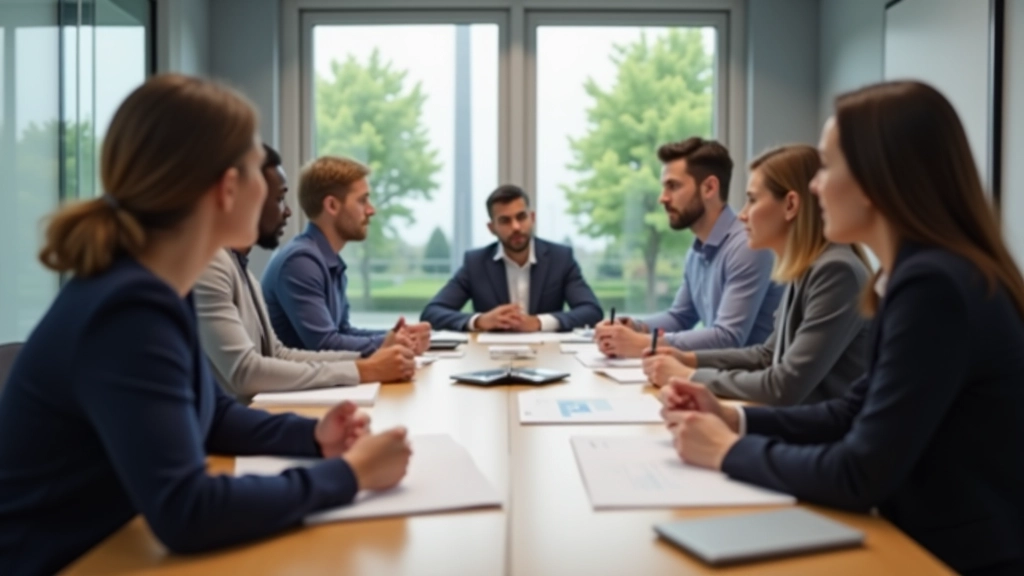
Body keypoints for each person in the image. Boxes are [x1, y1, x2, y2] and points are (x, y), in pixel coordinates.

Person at [0, 74, 412, 575]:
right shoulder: (127, 308)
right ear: (229, 187)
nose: (273, 194)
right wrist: (348, 475)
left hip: (113, 547)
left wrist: (314, 439)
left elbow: (213, 416)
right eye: (261, 172)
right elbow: (186, 512)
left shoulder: (148, 289)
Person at [659, 81, 1024, 575]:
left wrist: (728, 451)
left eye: (828, 166)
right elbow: (853, 410)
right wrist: (734, 419)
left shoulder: (933, 287)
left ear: (878, 179)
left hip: (949, 558)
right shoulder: (920, 274)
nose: (814, 185)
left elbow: (860, 472)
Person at [642, 145, 870, 405]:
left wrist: (690, 375)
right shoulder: (806, 268)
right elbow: (767, 355)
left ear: (791, 205)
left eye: (752, 199)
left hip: (822, 437)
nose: (742, 214)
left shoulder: (835, 272)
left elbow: (784, 385)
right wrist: (690, 359)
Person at [194, 144, 416, 403]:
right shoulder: (215, 265)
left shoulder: (243, 272)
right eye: (278, 199)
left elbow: (278, 354)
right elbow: (245, 372)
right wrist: (365, 368)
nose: (288, 211)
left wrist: (370, 358)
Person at [596, 138, 783, 357]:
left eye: (673, 186)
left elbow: (727, 338)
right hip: (719, 377)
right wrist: (635, 327)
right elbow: (680, 317)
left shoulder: (747, 246)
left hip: (746, 385)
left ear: (709, 187)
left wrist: (644, 343)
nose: (662, 198)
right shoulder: (697, 251)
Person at [261, 156, 430, 356]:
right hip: (299, 386)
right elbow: (325, 344)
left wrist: (396, 336)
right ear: (332, 205)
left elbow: (342, 332)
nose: (371, 210)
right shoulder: (300, 262)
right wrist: (391, 342)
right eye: (362, 200)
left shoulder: (327, 260)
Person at [420, 184, 603, 332]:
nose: (515, 227)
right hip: (489, 360)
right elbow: (432, 313)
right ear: (492, 228)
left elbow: (591, 311)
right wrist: (480, 321)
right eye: (505, 221)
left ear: (532, 218)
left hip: (549, 357)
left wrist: (539, 322)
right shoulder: (475, 263)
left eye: (521, 217)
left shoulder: (560, 258)